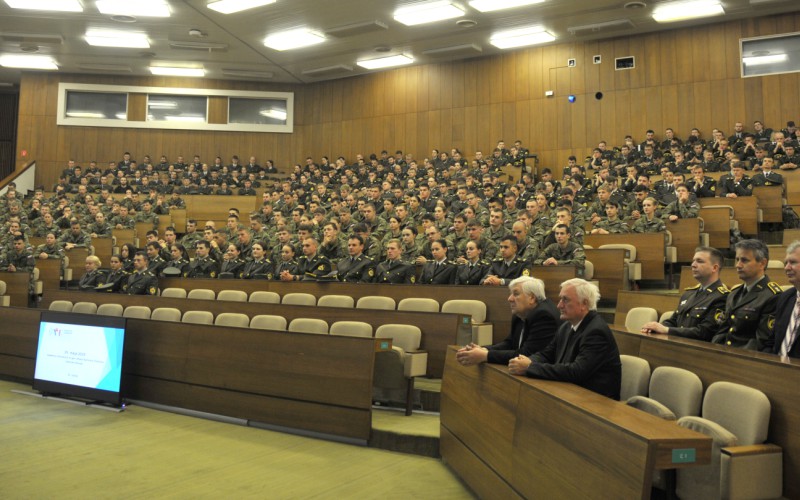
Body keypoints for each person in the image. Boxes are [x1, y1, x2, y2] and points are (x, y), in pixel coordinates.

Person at [508, 278, 621, 400]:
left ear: (584, 304)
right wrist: (525, 361)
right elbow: (547, 354)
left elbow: (577, 371)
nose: (559, 305)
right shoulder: (567, 326)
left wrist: (530, 367)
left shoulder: (596, 332)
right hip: (572, 393)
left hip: (596, 402)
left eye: (565, 300)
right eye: (560, 299)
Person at [456, 276, 560, 366]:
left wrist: (485, 355)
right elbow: (510, 343)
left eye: (516, 294)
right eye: (511, 294)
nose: (509, 299)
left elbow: (526, 355)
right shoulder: (521, 313)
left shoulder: (544, 316)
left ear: (532, 298)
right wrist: (484, 349)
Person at [641, 247, 729, 341]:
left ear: (714, 268)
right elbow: (673, 321)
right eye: (693, 261)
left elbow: (704, 332)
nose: (693, 265)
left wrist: (666, 330)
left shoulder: (722, 296)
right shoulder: (688, 294)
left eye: (699, 261)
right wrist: (655, 327)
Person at [712, 239, 780, 352]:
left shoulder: (772, 296)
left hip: (746, 360)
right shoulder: (734, 293)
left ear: (762, 263)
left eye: (744, 260)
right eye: (737, 259)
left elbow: (761, 342)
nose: (738, 265)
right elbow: (722, 331)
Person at [774, 241, 800, 359]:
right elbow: (773, 339)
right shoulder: (785, 297)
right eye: (786, 263)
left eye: (793, 262)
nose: (787, 267)